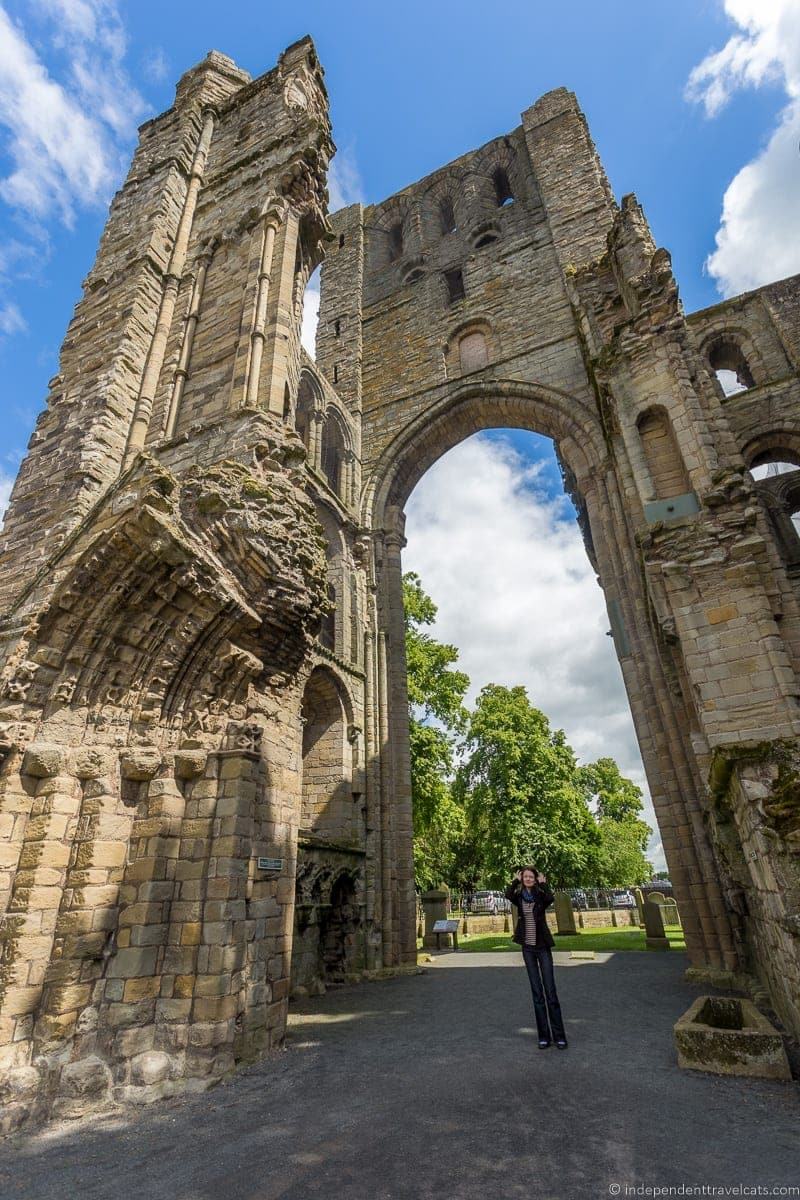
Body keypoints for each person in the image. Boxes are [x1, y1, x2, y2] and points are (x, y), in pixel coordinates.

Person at [505, 866, 568, 1049]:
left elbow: (550, 898)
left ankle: (559, 1036)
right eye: (525, 877)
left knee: (550, 992)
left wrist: (544, 884)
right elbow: (508, 894)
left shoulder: (540, 896)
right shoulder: (519, 897)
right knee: (537, 993)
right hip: (528, 949)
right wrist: (515, 880)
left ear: (535, 878)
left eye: (531, 876)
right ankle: (544, 1036)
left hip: (542, 948)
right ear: (522, 879)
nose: (528, 879)